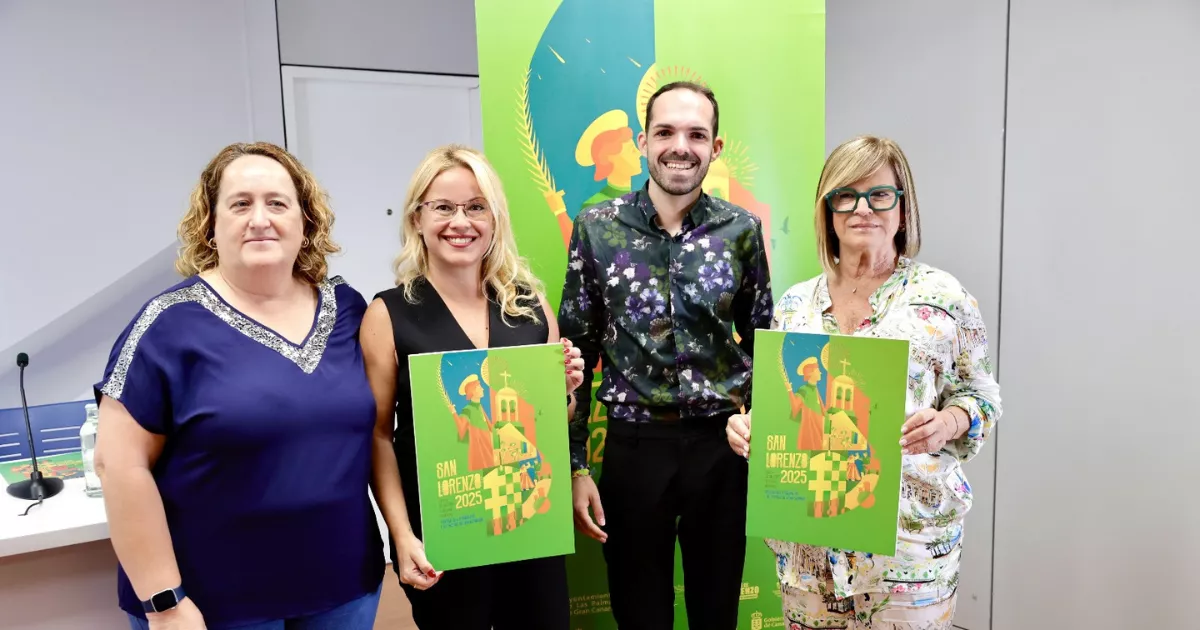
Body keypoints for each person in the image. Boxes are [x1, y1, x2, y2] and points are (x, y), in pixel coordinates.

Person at [93, 142, 385, 630]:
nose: (260, 218)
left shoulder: (348, 309)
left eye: (277, 202)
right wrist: (165, 603)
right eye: (240, 203)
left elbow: (384, 422)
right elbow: (118, 464)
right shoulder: (168, 325)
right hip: (215, 605)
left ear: (305, 221)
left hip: (344, 589)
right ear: (211, 223)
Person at [725, 135, 1002, 629]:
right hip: (809, 548)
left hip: (909, 550)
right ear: (828, 210)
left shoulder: (943, 297)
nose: (862, 209)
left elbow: (981, 394)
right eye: (845, 196)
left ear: (903, 206)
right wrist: (749, 427)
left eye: (879, 195)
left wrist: (950, 421)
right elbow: (781, 406)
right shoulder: (794, 305)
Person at [558, 81, 774, 629]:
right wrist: (576, 464)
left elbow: (762, 341)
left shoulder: (741, 230)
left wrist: (762, 434)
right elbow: (575, 354)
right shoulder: (597, 229)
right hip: (634, 448)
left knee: (716, 608)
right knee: (639, 612)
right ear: (642, 142)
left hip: (721, 451)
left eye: (696, 134)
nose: (681, 145)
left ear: (715, 148)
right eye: (666, 132)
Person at [361, 144, 586, 629]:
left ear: (494, 219)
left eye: (475, 207)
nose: (459, 221)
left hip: (530, 524)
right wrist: (400, 536)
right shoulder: (387, 315)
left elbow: (551, 422)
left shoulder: (530, 308)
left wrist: (564, 391)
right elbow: (377, 435)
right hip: (446, 531)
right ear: (417, 218)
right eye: (442, 207)